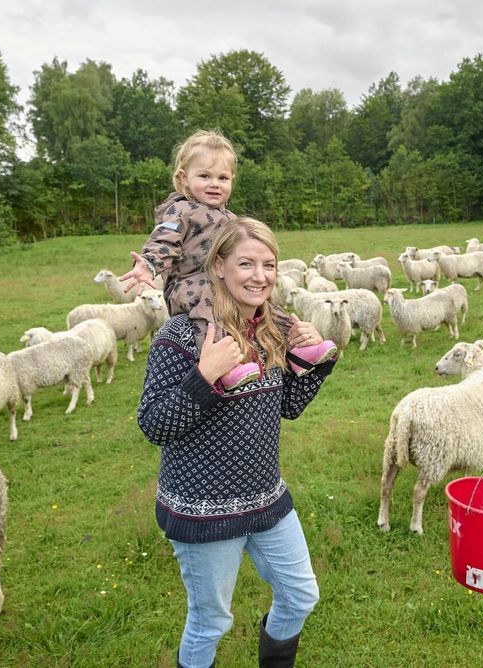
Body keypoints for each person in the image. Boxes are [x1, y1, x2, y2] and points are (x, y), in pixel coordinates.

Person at [137, 217, 335, 668]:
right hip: (202, 509)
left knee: (301, 595)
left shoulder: (272, 331)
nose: (259, 276)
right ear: (219, 265)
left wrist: (317, 362)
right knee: (211, 621)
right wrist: (205, 376)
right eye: (246, 263)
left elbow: (286, 406)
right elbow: (153, 425)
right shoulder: (180, 336)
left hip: (267, 499)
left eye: (269, 264)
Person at [120, 130, 335, 391]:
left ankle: (298, 351)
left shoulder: (232, 219)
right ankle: (226, 368)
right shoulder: (180, 210)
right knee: (212, 299)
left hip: (222, 282)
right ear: (183, 178)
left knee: (268, 306)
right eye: (204, 176)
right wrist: (149, 263)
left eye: (222, 178)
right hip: (189, 285)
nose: (214, 184)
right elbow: (164, 239)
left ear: (232, 180)